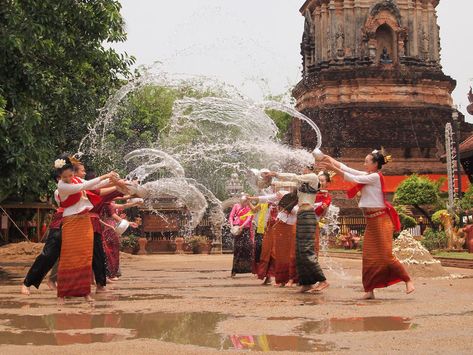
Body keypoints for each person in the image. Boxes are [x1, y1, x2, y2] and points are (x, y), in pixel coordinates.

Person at [318, 149, 415, 299]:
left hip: (381, 220)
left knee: (386, 256)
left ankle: (407, 280)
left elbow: (351, 177)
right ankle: (369, 290)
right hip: (371, 220)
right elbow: (347, 169)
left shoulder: (375, 177)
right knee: (368, 256)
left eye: (367, 162)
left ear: (375, 164)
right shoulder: (368, 175)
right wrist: (330, 159)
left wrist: (332, 169)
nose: (364, 164)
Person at [54, 155, 117, 303]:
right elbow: (85, 186)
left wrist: (112, 180)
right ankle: (62, 293)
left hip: (85, 221)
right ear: (59, 176)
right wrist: (106, 176)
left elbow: (93, 186)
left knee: (85, 257)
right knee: (69, 257)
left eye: (71, 175)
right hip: (71, 222)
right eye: (65, 176)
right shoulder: (62, 186)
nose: (69, 178)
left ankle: (84, 292)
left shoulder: (76, 179)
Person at [273, 169, 329, 293]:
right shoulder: (302, 185)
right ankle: (306, 283)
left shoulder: (313, 178)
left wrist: (275, 174)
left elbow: (294, 176)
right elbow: (292, 185)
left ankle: (322, 280)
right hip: (301, 216)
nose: (303, 170)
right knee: (299, 251)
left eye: (305, 168)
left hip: (308, 215)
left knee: (306, 249)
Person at [21, 172, 63, 295]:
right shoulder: (60, 189)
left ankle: (71, 287)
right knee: (48, 255)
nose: (83, 173)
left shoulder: (80, 185)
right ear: (59, 178)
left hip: (77, 223)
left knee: (73, 256)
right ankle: (27, 282)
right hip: (61, 223)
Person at [228, 195, 254, 277]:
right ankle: (234, 270)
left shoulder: (249, 207)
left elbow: (249, 218)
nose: (243, 203)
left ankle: (250, 269)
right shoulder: (236, 206)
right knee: (237, 249)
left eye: (245, 201)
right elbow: (231, 216)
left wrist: (242, 226)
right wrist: (232, 226)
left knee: (248, 249)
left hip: (245, 229)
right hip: (237, 229)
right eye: (242, 201)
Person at [314, 171, 333, 255]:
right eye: (319, 180)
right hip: (302, 220)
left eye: (322, 181)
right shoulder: (310, 192)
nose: (320, 183)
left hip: (314, 222)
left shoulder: (327, 197)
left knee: (314, 245)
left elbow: (322, 215)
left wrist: (324, 209)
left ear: (327, 183)